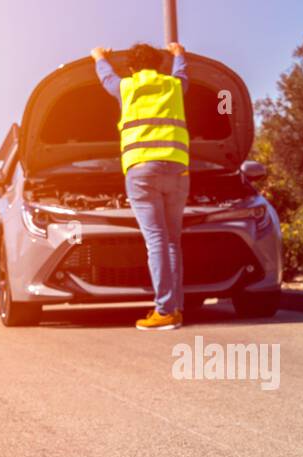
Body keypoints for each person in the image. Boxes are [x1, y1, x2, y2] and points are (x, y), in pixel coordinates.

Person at [92, 42, 191, 331]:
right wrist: (178, 54)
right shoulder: (173, 86)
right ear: (159, 66)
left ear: (132, 67)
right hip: (177, 169)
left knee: (156, 240)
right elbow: (183, 73)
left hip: (142, 170)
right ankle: (175, 309)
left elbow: (106, 79)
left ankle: (163, 311)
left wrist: (99, 57)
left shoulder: (126, 87)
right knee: (172, 240)